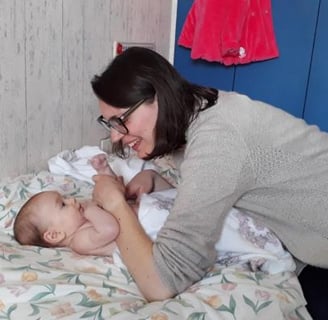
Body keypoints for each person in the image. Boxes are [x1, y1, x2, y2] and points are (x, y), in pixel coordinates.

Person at [90, 47, 328, 316]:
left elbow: (163, 281)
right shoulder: (203, 109)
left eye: (121, 120)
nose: (115, 137)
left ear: (157, 97)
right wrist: (156, 181)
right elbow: (221, 188)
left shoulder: (218, 137)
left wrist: (115, 204)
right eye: (108, 124)